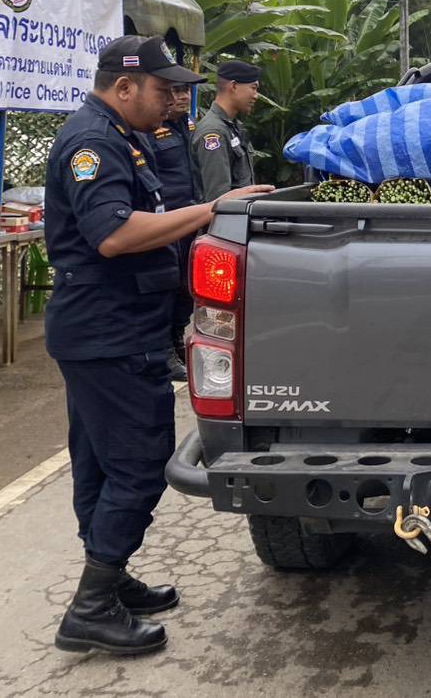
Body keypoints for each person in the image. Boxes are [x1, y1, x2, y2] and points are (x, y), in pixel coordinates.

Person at [44, 36, 271, 655]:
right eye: (163, 89)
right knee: (140, 463)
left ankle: (107, 579)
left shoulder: (122, 136)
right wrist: (211, 209)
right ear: (124, 87)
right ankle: (91, 607)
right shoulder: (93, 144)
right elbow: (114, 234)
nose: (173, 100)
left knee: (99, 463)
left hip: (110, 326)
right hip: (108, 330)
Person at [144, 79, 199, 381]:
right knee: (168, 285)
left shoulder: (188, 126)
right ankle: (163, 348)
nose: (182, 97)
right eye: (175, 91)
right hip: (167, 221)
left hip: (191, 218)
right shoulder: (151, 129)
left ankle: (177, 338)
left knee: (187, 286)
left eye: (185, 90)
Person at [192, 60, 260, 201]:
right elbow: (218, 200)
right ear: (233, 86)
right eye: (253, 88)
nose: (256, 95)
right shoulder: (213, 132)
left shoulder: (234, 127)